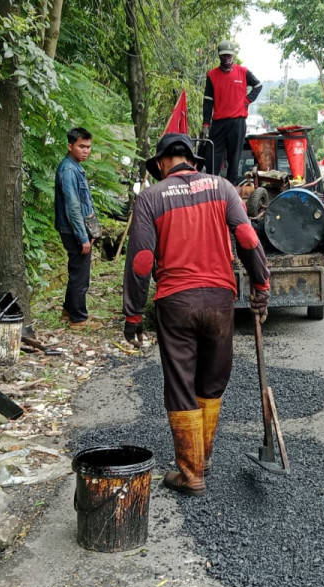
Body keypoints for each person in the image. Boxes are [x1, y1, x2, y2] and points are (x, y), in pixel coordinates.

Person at [123, 132, 270, 496]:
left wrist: (133, 314)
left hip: (175, 303)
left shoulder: (151, 197)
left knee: (181, 384)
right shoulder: (223, 188)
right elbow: (247, 238)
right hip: (220, 300)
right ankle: (202, 459)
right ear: (192, 159)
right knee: (211, 381)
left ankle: (191, 474)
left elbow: (142, 260)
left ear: (161, 164)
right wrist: (261, 285)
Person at [54, 127, 98, 327]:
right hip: (73, 230)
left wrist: (91, 230)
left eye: (88, 147)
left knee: (76, 272)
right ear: (70, 146)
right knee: (80, 277)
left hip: (76, 228)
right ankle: (78, 319)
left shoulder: (74, 167)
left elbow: (83, 203)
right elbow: (73, 207)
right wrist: (82, 236)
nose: (86, 150)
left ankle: (67, 310)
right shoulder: (69, 170)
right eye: (81, 146)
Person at [201, 40, 262, 186]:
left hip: (237, 122)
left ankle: (231, 187)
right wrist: (205, 124)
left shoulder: (243, 72)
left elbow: (258, 86)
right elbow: (208, 102)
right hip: (219, 122)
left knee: (234, 157)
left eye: (229, 55)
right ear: (219, 56)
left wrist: (247, 100)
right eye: (224, 55)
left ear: (233, 55)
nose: (227, 58)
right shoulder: (212, 75)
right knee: (212, 156)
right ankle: (212, 187)